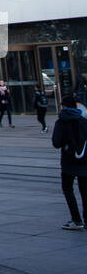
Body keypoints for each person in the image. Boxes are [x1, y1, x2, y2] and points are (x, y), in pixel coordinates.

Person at [52, 94, 87, 229]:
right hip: (84, 160)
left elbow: (56, 143)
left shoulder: (61, 122)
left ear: (64, 106)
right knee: (85, 191)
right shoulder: (83, 121)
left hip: (68, 162)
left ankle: (76, 219)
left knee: (68, 189)